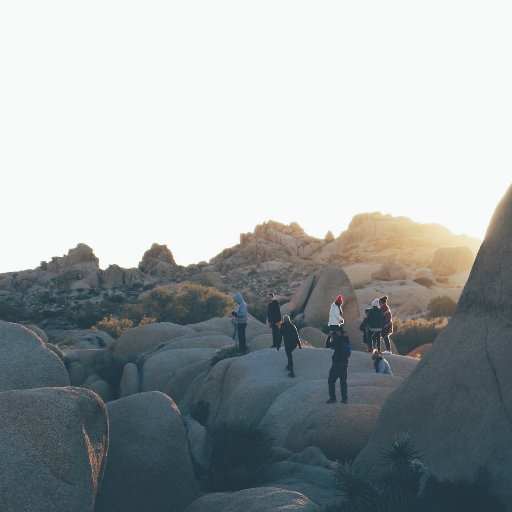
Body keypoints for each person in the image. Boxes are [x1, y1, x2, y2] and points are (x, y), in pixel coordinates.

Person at [325, 326, 351, 404]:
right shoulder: (346, 339)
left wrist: (329, 336)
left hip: (337, 364)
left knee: (331, 381)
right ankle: (344, 399)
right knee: (343, 382)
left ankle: (333, 398)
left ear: (338, 332)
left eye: (336, 332)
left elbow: (327, 345)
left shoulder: (338, 340)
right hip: (345, 363)